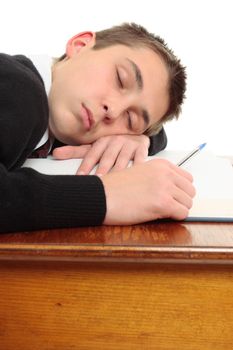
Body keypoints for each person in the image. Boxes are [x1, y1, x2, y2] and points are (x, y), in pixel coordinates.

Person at [0, 23, 195, 233]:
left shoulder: (59, 109)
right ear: (80, 45)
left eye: (130, 119)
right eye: (121, 79)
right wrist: (106, 196)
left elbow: (159, 135)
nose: (114, 110)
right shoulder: (19, 89)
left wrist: (138, 139)